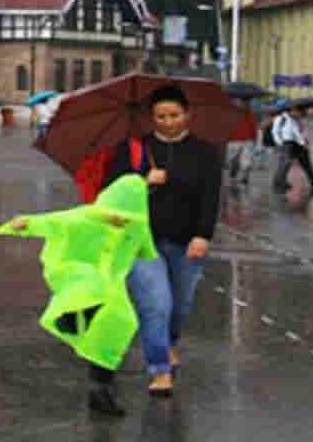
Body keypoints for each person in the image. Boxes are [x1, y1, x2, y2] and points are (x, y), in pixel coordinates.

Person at [95, 84, 222, 399]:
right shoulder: (133, 150)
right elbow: (110, 192)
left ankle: (170, 343)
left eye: (174, 115)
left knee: (180, 307)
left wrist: (202, 235)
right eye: (161, 116)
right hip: (141, 242)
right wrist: (140, 180)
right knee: (155, 305)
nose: (168, 122)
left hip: (186, 242)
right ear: (151, 118)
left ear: (187, 115)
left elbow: (211, 198)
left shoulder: (205, 152)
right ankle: (159, 369)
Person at [0, 174, 155, 417]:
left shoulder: (136, 227)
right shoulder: (84, 217)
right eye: (116, 215)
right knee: (88, 286)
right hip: (75, 272)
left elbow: (145, 250)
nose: (120, 221)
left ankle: (100, 390)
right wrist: (24, 224)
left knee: (119, 325)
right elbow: (54, 222)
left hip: (111, 284)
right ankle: (71, 314)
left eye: (127, 218)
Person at [272, 105, 313, 192]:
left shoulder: (294, 119)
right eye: (297, 111)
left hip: (296, 143)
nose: (299, 113)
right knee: (285, 164)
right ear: (291, 110)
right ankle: (279, 183)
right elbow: (275, 131)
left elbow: (297, 132)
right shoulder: (281, 118)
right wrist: (280, 143)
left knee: (306, 161)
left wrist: (303, 143)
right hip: (286, 143)